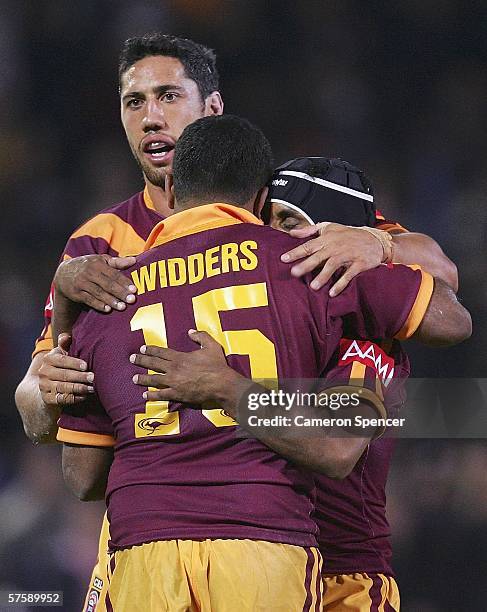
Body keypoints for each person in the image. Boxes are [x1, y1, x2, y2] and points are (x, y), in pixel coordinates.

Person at [14, 32, 459, 612]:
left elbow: (439, 276)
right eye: (134, 102)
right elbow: (35, 401)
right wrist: (48, 386)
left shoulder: (294, 208)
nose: (152, 117)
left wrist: (373, 242)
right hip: (182, 544)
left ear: (212, 110)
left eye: (169, 95)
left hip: (308, 546)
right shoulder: (95, 245)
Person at [140, 157, 411, 611]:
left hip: (344, 582)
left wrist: (227, 389)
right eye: (266, 220)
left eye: (288, 222)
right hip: (252, 561)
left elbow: (336, 446)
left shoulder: (364, 335)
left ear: (337, 235)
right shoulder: (268, 316)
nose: (268, 237)